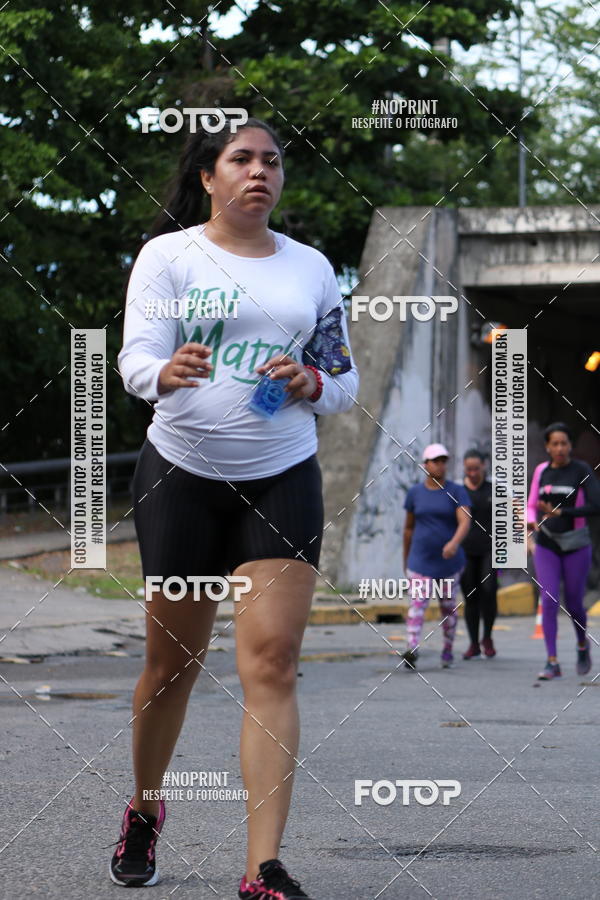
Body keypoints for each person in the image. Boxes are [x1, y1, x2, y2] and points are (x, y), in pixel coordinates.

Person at [113, 116, 359, 898]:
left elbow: (344, 380)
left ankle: (262, 868)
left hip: (282, 475)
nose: (260, 172)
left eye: (273, 162)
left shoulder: (313, 269)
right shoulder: (169, 257)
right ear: (209, 178)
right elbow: (133, 359)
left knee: (273, 664)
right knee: (171, 665)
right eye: (242, 160)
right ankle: (147, 805)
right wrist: (167, 370)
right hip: (180, 477)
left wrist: (311, 383)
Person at [527, 422, 600, 681]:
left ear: (570, 446)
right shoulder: (542, 471)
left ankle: (582, 644)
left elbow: (596, 505)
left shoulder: (581, 470)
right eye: (554, 444)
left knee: (574, 603)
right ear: (547, 447)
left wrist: (562, 512)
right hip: (547, 543)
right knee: (548, 600)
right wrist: (529, 525)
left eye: (564, 443)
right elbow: (531, 503)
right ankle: (552, 661)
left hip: (576, 544)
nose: (559, 448)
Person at [401, 444, 471, 669]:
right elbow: (409, 528)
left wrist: (453, 543)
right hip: (420, 560)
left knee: (448, 607)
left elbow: (465, 521)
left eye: (443, 461)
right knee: (417, 605)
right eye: (435, 461)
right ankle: (411, 649)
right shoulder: (415, 493)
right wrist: (406, 558)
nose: (440, 465)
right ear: (425, 465)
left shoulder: (456, 491)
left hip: (449, 563)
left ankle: (448, 648)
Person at [460, 450, 497, 659]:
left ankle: (488, 637)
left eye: (476, 468)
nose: (473, 473)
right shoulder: (458, 490)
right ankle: (474, 643)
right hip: (465, 550)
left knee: (489, 590)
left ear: (484, 466)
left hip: (489, 549)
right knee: (470, 595)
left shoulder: (494, 489)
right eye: (469, 469)